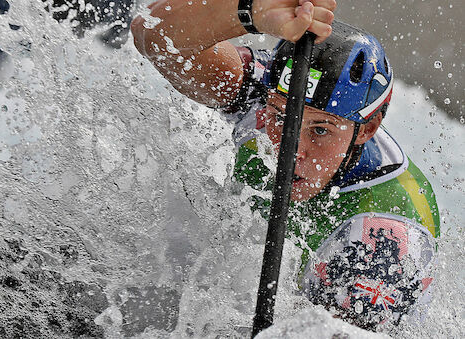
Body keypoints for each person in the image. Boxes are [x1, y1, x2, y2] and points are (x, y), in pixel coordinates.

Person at [131, 0, 440, 330]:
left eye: (321, 130)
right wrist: (251, 12)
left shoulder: (384, 235)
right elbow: (153, 35)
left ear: (367, 129)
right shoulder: (262, 95)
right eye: (282, 116)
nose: (293, 150)